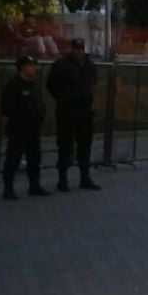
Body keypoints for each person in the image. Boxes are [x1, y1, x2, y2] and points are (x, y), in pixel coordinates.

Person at [46, 38, 101, 191]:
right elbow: (51, 85)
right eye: (76, 48)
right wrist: (64, 97)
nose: (79, 51)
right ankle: (62, 180)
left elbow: (93, 82)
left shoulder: (90, 65)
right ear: (72, 49)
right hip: (67, 110)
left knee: (85, 145)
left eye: (81, 48)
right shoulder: (61, 65)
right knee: (65, 145)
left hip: (84, 110)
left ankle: (85, 178)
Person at [1, 56, 50, 200]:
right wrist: (22, 116)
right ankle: (8, 189)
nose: (33, 68)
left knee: (35, 158)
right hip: (18, 129)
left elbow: (40, 102)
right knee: (13, 159)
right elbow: (6, 108)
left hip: (34, 128)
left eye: (33, 65)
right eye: (30, 65)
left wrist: (41, 113)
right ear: (22, 67)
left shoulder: (34, 85)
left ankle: (34, 186)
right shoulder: (13, 86)